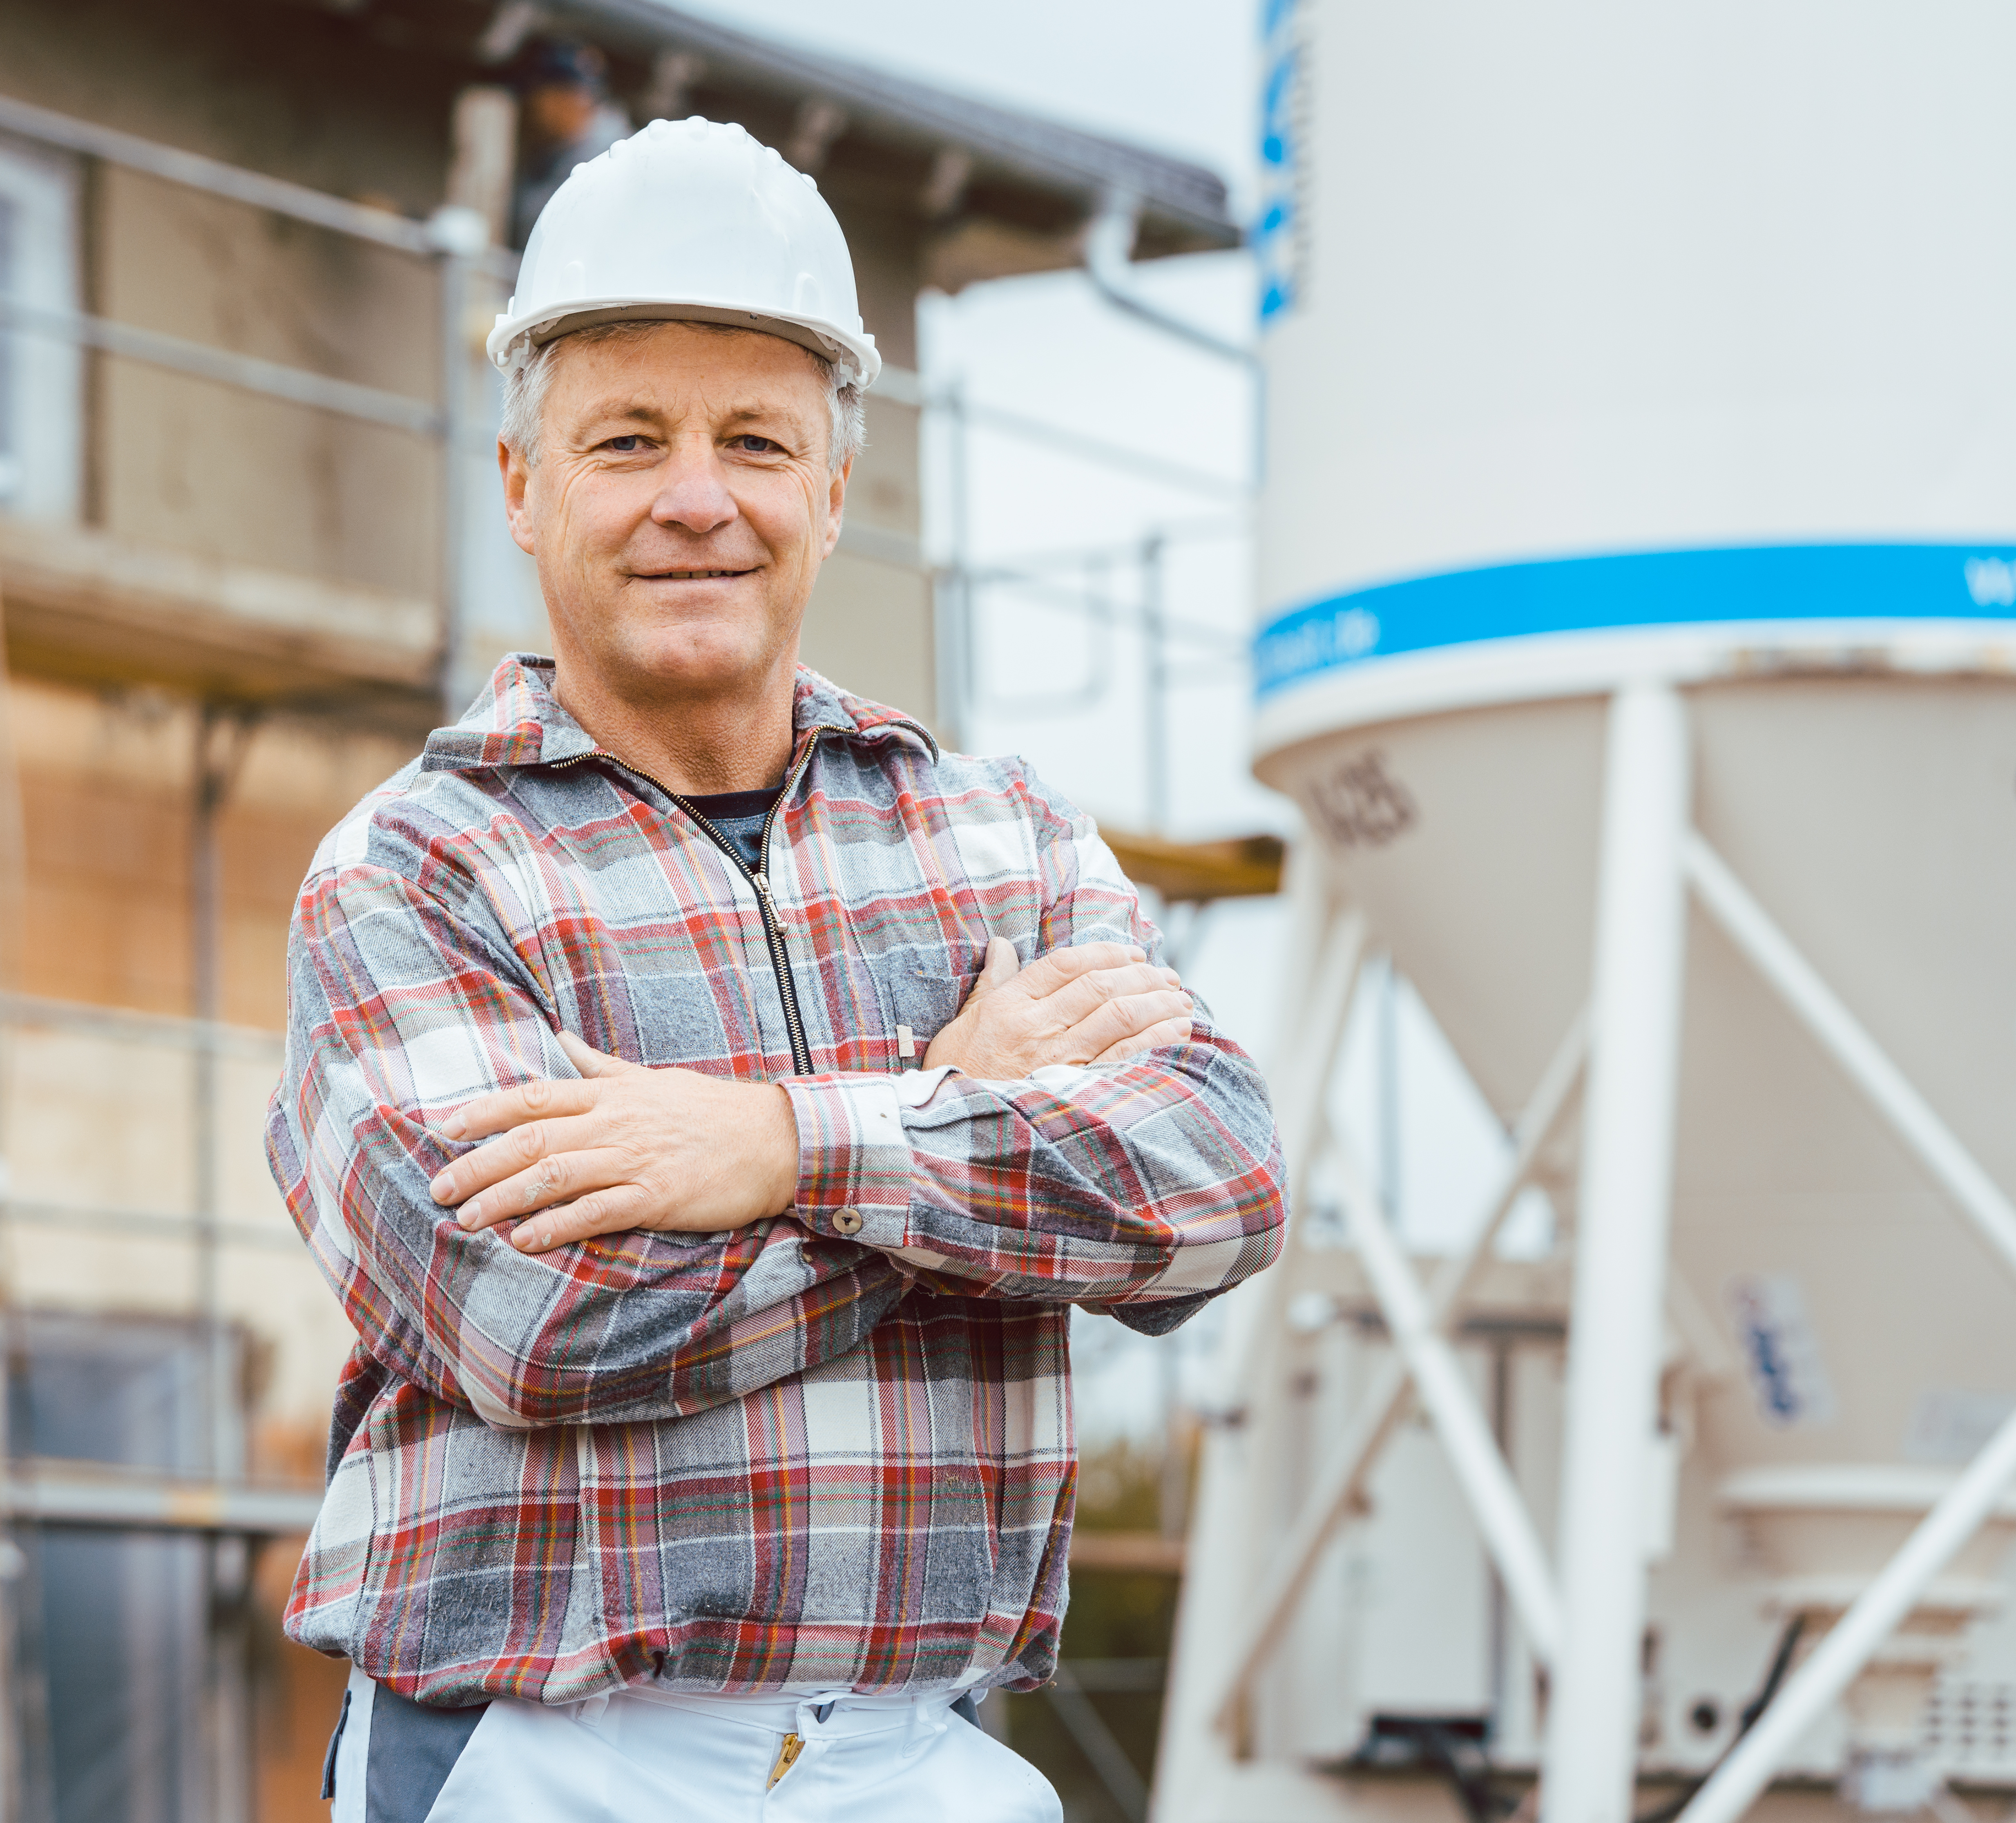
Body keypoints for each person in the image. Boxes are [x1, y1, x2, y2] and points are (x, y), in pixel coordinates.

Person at [268, 118, 1287, 1822]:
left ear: (831, 485)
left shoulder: (999, 833)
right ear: (522, 487)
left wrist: (779, 1147)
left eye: (755, 437)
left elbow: (1218, 1184)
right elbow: (538, 1323)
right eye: (626, 439)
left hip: (920, 1753)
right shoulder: (416, 868)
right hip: (546, 1756)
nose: (696, 496)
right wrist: (962, 1139)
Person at [508, 39, 628, 247]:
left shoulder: (613, 154)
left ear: (574, 97)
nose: (536, 107)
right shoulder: (555, 150)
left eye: (544, 95)